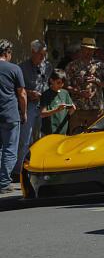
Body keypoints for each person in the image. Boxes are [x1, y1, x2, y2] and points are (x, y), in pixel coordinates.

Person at [14, 40, 53, 179]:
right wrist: (30, 93)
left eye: (44, 54)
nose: (43, 57)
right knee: (25, 139)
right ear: (32, 52)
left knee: (45, 137)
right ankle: (19, 171)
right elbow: (18, 89)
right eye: (40, 54)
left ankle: (44, 167)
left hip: (44, 104)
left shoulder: (47, 66)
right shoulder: (22, 67)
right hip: (29, 105)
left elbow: (52, 83)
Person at [65, 37, 104, 133]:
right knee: (76, 137)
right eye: (87, 49)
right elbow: (65, 86)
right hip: (78, 109)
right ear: (81, 49)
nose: (89, 52)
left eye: (91, 50)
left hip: (96, 109)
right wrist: (79, 92)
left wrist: (97, 81)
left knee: (95, 138)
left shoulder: (100, 65)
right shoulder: (72, 66)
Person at [0, 39, 26, 193]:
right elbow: (22, 93)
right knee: (10, 149)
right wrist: (23, 113)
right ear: (7, 53)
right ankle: (3, 183)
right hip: (10, 113)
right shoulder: (14, 69)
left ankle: (3, 180)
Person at [39, 69, 76, 136]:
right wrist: (57, 110)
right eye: (58, 82)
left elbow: (69, 114)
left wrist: (72, 109)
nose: (61, 85)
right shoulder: (46, 95)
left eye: (63, 83)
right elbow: (42, 114)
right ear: (51, 81)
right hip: (48, 133)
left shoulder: (65, 93)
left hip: (62, 132)